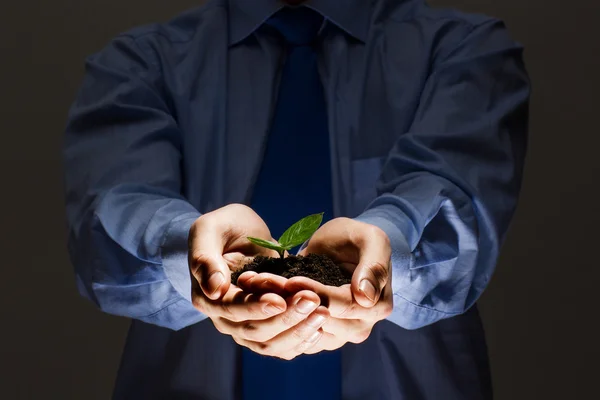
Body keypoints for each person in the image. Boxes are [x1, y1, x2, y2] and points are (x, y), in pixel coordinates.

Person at [62, 0, 529, 398]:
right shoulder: (139, 63)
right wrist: (187, 249)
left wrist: (386, 248)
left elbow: (458, 212)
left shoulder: (464, 51)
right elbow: (104, 235)